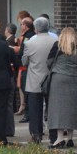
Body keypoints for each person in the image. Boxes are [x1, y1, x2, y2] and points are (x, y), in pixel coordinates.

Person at [21, 16, 56, 144]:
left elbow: (24, 62)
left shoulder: (29, 43)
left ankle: (36, 135)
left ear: (36, 29)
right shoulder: (56, 40)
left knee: (35, 110)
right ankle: (53, 135)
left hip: (34, 80)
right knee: (51, 109)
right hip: (51, 79)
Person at [46, 27, 77, 149]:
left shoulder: (57, 46)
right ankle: (70, 138)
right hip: (74, 79)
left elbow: (49, 63)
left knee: (58, 109)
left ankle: (60, 138)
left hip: (59, 79)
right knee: (72, 108)